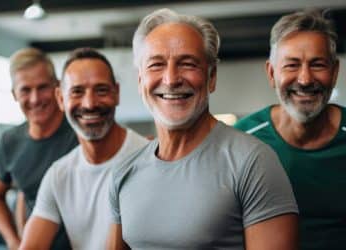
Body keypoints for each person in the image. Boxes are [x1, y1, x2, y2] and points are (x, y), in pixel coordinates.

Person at [107, 8, 299, 250]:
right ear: (140, 81)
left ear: (212, 77)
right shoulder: (124, 172)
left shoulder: (253, 162)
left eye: (187, 63)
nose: (171, 79)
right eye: (156, 65)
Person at [234, 9, 346, 250]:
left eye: (317, 64)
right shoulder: (242, 140)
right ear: (272, 73)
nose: (305, 79)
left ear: (334, 72)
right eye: (292, 65)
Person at [19, 48, 148, 250]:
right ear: (61, 99)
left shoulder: (149, 161)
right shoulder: (59, 175)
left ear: (116, 93)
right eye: (77, 92)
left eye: (101, 90)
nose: (89, 104)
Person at [0, 48, 77, 250]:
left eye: (42, 87)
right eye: (25, 90)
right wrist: (13, 240)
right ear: (14, 94)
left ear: (57, 87)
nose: (35, 99)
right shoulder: (10, 141)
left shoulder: (81, 132)